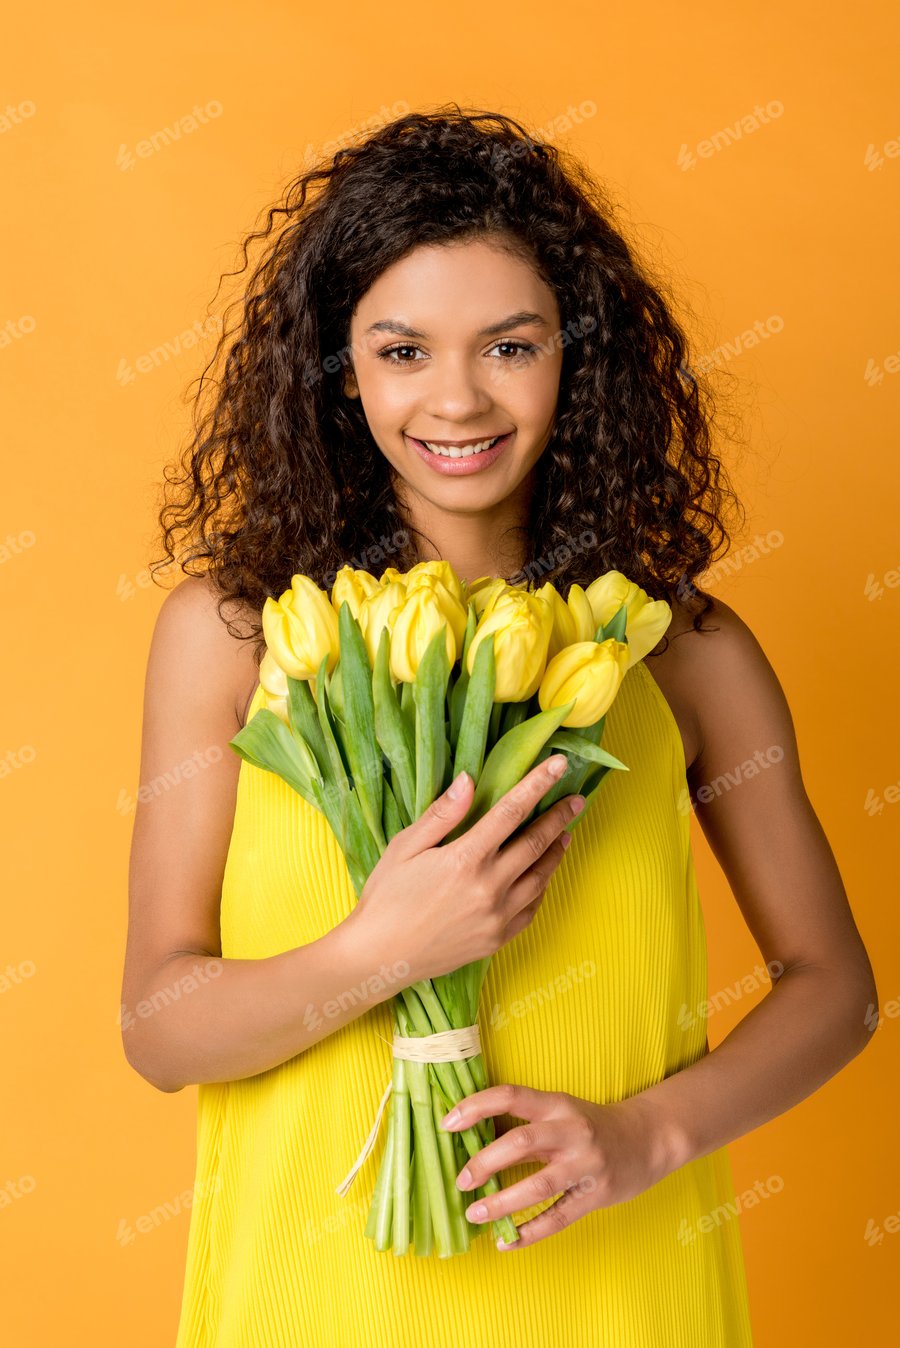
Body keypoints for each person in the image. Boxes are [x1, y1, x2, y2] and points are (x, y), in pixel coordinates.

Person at [121, 106, 877, 1347]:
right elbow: (158, 1027)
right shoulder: (240, 636)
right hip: (317, 1302)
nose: (458, 398)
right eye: (403, 350)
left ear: (576, 358)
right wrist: (384, 948)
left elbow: (836, 987)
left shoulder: (676, 650)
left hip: (613, 1289)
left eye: (511, 346)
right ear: (338, 365)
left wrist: (650, 1136)